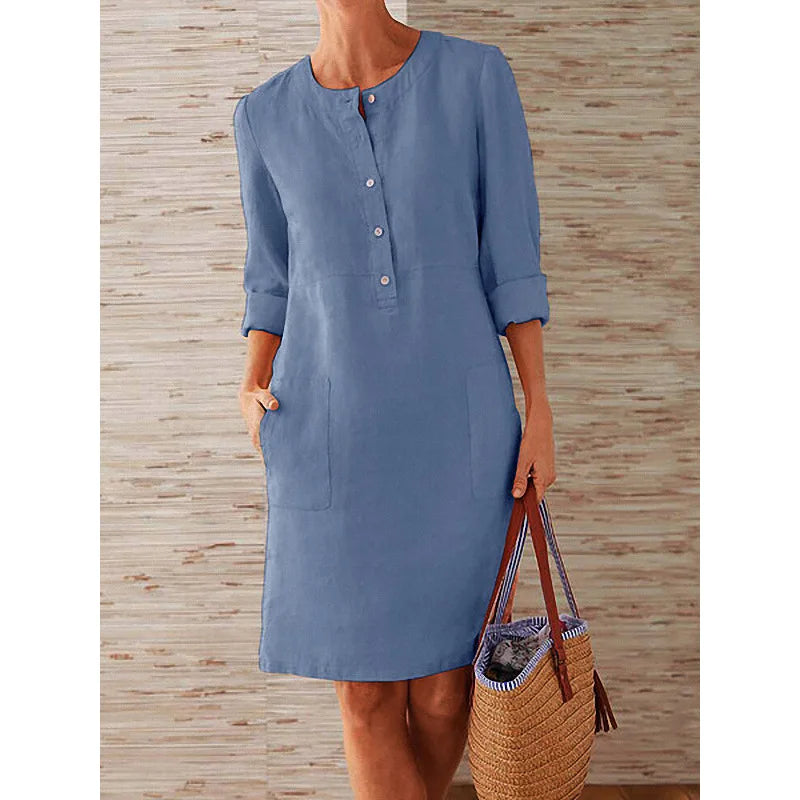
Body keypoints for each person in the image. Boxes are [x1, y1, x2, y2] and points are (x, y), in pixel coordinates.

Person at [234, 3, 556, 798]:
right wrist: (250, 382)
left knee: (447, 690)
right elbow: (271, 281)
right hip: (328, 433)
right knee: (363, 694)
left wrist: (540, 405)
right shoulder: (264, 116)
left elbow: (512, 258)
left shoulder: (476, 78)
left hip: (460, 432)